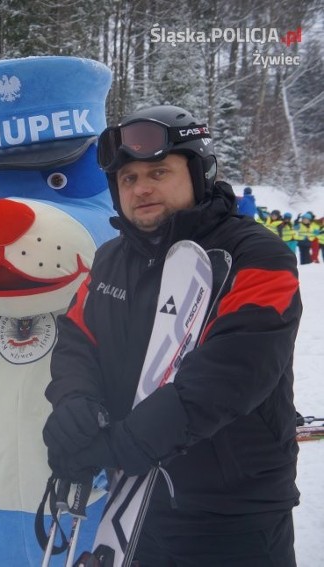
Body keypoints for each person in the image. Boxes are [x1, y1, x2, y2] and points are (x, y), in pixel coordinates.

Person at [43, 105, 302, 565]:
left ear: (199, 172)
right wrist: (75, 406)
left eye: (158, 172)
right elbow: (76, 342)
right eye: (128, 179)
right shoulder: (110, 260)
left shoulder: (259, 255)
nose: (141, 188)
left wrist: (121, 445)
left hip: (233, 514)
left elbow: (232, 374)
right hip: (134, 507)